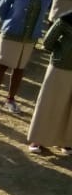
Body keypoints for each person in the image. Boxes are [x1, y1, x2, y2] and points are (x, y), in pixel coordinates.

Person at [27, 11, 72, 154]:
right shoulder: (67, 18)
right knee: (49, 103)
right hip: (61, 67)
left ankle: (67, 142)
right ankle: (38, 139)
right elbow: (48, 42)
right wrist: (62, 52)